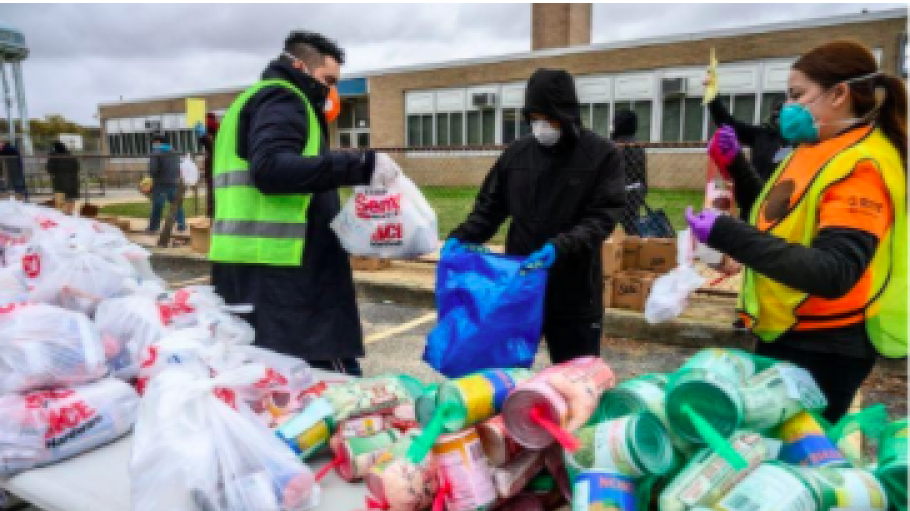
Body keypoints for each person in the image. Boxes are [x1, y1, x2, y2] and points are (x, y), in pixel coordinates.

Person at [687, 40, 907, 423]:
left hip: (826, 345)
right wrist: (736, 166)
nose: (788, 107)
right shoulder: (817, 146)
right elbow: (776, 216)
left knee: (796, 463)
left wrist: (727, 235)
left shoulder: (861, 165)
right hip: (790, 330)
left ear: (839, 94)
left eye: (797, 95)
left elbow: (833, 271)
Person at [209, 31, 402, 376]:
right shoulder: (284, 99)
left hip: (244, 265)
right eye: (328, 81)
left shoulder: (248, 101)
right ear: (299, 66)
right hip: (289, 274)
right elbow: (270, 169)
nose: (331, 93)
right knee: (331, 386)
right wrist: (360, 165)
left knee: (270, 383)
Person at [445, 68, 626, 364]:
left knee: (573, 379)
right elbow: (490, 207)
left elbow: (603, 216)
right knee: (507, 375)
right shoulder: (517, 154)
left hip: (574, 290)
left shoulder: (601, 155)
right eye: (535, 117)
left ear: (567, 114)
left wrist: (561, 246)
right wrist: (462, 237)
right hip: (521, 283)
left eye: (550, 118)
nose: (542, 126)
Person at [705, 81, 790, 184]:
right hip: (757, 194)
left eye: (786, 110)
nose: (780, 115)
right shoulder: (760, 134)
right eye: (778, 110)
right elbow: (727, 123)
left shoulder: (800, 142)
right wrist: (713, 97)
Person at [611, 110, 647, 234]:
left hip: (617, 195)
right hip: (635, 194)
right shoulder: (637, 144)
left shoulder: (616, 146)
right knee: (631, 228)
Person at [146, 134, 186, 233]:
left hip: (161, 183)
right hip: (174, 182)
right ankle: (181, 225)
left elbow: (153, 169)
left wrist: (151, 177)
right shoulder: (174, 151)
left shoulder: (156, 152)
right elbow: (179, 166)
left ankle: (153, 227)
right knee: (176, 204)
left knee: (158, 205)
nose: (153, 144)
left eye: (154, 142)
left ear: (158, 142)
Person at [46, 141, 80, 215]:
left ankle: (62, 216)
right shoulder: (71, 156)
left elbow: (50, 169)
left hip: (59, 181)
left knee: (60, 199)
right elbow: (77, 167)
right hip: (72, 180)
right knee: (70, 198)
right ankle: (69, 213)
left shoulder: (54, 157)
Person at [196, 112, 220, 218]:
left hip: (215, 170)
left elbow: (212, 146)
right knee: (212, 194)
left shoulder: (216, 136)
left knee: (213, 195)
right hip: (213, 170)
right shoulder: (216, 133)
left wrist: (203, 136)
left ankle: (212, 216)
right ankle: (211, 216)